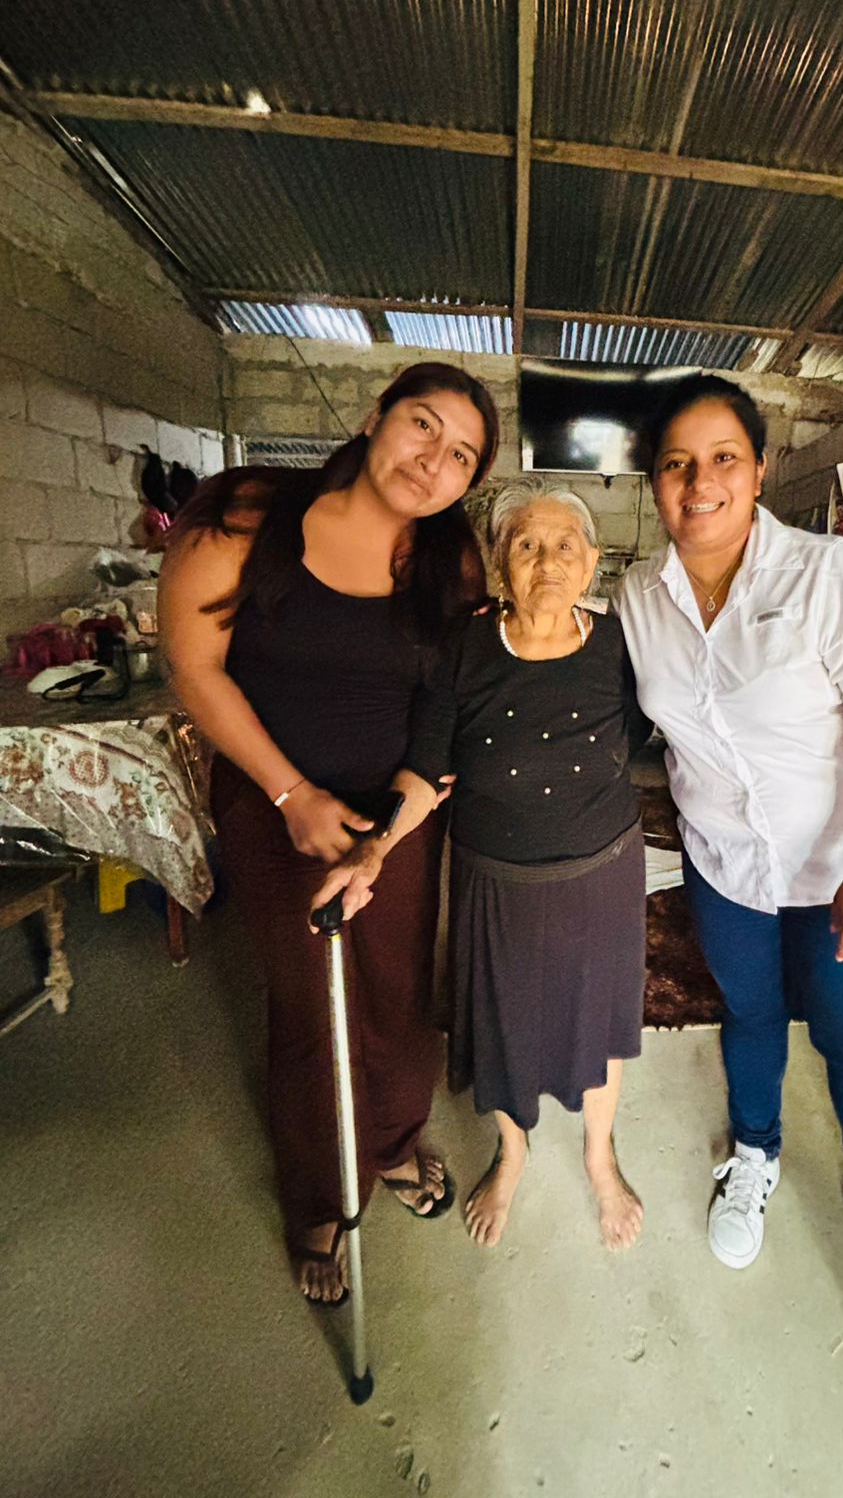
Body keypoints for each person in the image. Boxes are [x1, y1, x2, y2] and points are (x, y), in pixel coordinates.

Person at [158, 362, 500, 1305]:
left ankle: (390, 1142)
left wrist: (389, 827)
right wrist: (291, 795)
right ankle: (319, 1193)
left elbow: (443, 705)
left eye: (461, 455)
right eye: (422, 426)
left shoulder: (450, 562)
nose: (432, 460)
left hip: (396, 815)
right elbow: (194, 667)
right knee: (314, 1003)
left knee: (395, 989)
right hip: (274, 809)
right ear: (374, 416)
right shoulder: (247, 519)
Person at [616, 375, 843, 1370]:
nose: (698, 482)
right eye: (676, 464)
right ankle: (752, 1156)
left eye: (722, 459)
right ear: (654, 483)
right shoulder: (639, 599)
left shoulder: (827, 577)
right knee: (749, 1014)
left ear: (757, 471)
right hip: (726, 866)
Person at [314, 477, 648, 1252]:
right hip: (497, 879)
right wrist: (375, 847)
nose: (547, 562)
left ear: (591, 561)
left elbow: (645, 734)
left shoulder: (619, 646)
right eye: (526, 545)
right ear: (500, 565)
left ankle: (600, 1157)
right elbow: (424, 768)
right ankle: (514, 1152)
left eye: (564, 545)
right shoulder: (463, 649)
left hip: (602, 872)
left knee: (599, 1020)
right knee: (503, 1023)